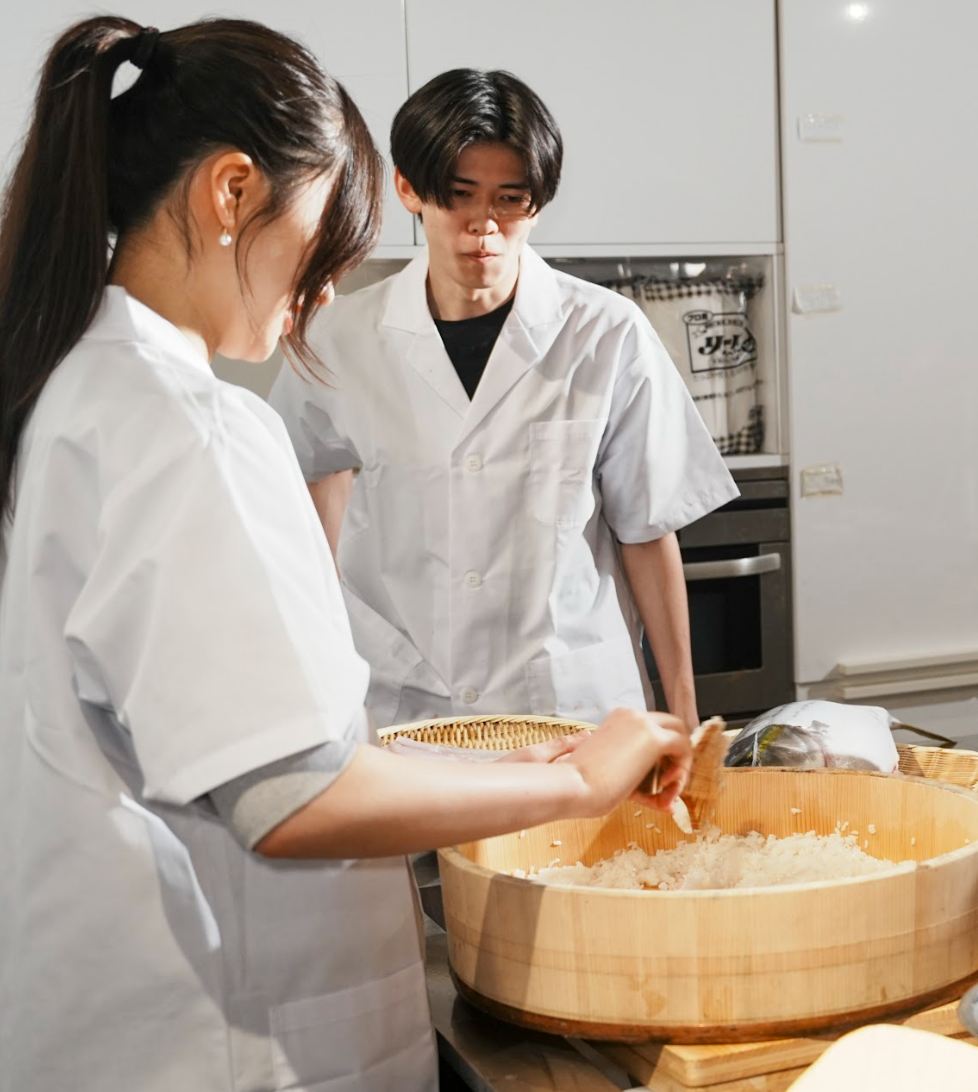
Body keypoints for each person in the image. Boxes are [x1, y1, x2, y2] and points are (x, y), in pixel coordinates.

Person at [0, 19, 692, 1090]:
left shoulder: (83, 389)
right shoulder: (188, 427)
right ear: (232, 193)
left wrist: (519, 764)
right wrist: (579, 781)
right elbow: (292, 800)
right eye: (325, 233)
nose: (325, 285)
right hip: (225, 1033)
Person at [268, 69, 735, 731]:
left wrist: (684, 716)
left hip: (565, 702)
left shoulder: (606, 333)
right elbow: (305, 493)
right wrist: (319, 664)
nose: (483, 223)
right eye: (459, 196)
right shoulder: (340, 337)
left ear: (537, 204)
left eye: (509, 199)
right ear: (408, 189)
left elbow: (647, 530)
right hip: (405, 699)